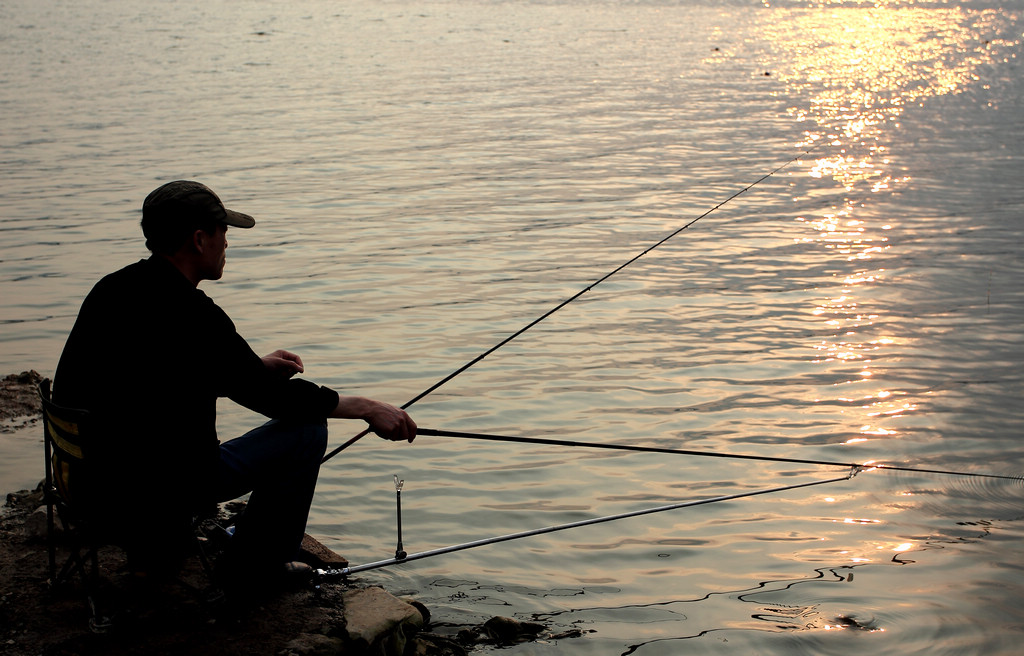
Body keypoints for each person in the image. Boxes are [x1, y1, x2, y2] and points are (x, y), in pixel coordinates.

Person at [53, 180, 416, 590]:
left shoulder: (111, 290)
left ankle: (152, 556)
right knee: (306, 431)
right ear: (199, 239)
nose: (228, 244)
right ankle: (255, 570)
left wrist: (247, 367)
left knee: (147, 441)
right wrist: (368, 408)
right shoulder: (193, 315)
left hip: (85, 486)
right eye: (224, 233)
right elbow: (275, 401)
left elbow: (153, 374)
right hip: (152, 493)